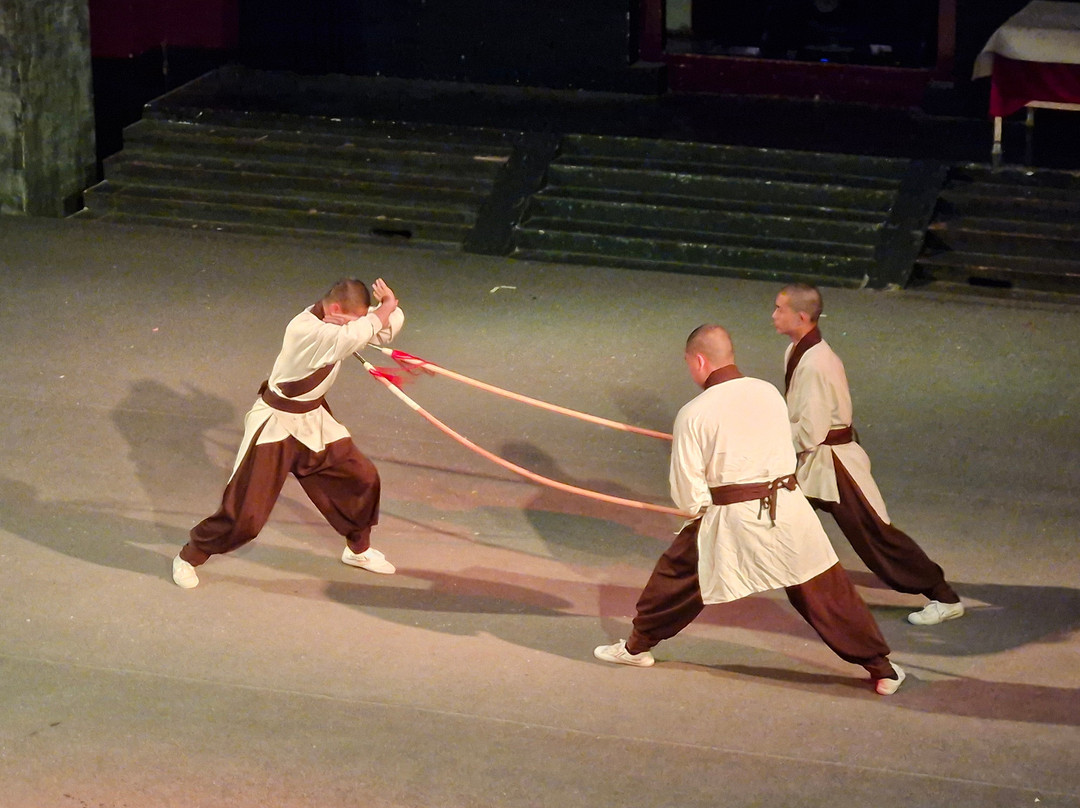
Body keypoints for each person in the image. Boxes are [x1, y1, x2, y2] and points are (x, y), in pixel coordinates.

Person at [594, 325, 905, 695]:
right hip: (789, 509)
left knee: (675, 580)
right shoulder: (768, 392)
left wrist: (696, 511)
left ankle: (636, 647)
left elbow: (689, 493)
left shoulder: (693, 414)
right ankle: (881, 668)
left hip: (732, 517)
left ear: (698, 361)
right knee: (826, 591)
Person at [172, 278, 405, 589]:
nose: (359, 323)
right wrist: (385, 308)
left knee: (361, 479)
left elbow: (380, 329)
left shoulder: (341, 326)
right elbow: (362, 331)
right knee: (246, 515)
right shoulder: (306, 330)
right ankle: (190, 556)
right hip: (276, 425)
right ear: (335, 309)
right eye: (354, 317)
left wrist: (387, 307)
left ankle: (358, 550)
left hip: (313, 421)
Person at [771, 283, 964, 626]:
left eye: (779, 309)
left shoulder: (816, 362)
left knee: (876, 537)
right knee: (780, 513)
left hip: (833, 464)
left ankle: (944, 597)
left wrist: (772, 446)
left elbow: (811, 432)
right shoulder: (796, 351)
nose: (773, 315)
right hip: (815, 460)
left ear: (801, 317)